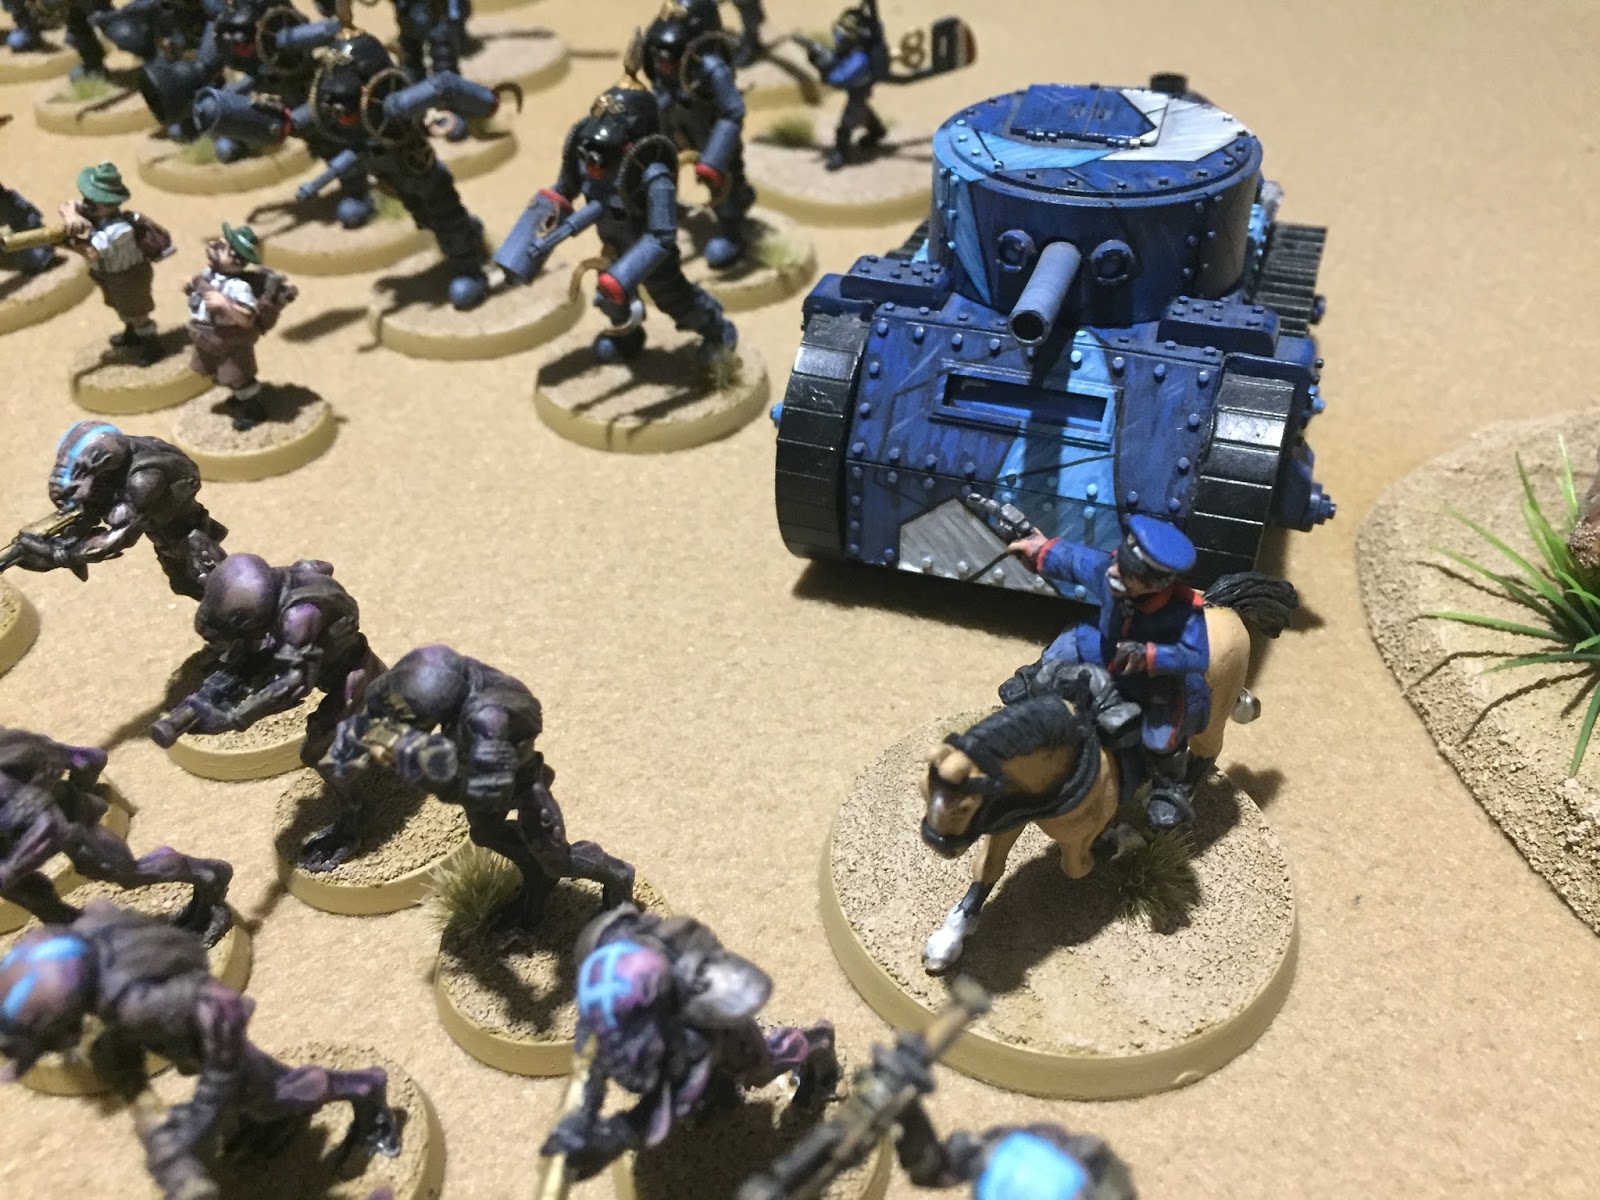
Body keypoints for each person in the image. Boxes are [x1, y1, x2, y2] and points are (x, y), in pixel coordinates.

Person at [1005, 515, 1210, 831]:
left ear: (1155, 584)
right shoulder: (1111, 571)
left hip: (1154, 679)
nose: (1114, 572)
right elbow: (1075, 560)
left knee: (1161, 736)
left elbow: (1197, 655)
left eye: (1128, 574)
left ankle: (1170, 788)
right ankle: (1032, 679)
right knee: (1066, 645)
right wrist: (1040, 549)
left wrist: (1150, 655)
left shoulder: (1184, 612)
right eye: (1119, 564)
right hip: (1103, 647)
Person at [184, 222, 297, 430]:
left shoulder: (238, 287)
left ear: (236, 260)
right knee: (216, 371)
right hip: (206, 335)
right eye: (221, 242)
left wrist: (225, 305)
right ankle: (239, 397)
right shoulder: (208, 274)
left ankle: (253, 409)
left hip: (230, 341)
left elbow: (247, 318)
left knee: (238, 376)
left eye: (224, 247)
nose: (216, 245)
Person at [57, 162, 172, 364]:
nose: (86, 205)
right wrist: (71, 216)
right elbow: (68, 205)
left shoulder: (119, 230)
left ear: (109, 204)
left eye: (93, 201)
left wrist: (67, 242)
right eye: (87, 199)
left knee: (137, 312)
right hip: (110, 275)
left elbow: (92, 252)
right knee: (120, 306)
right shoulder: (94, 213)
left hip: (129, 276)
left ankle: (151, 345)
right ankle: (131, 334)